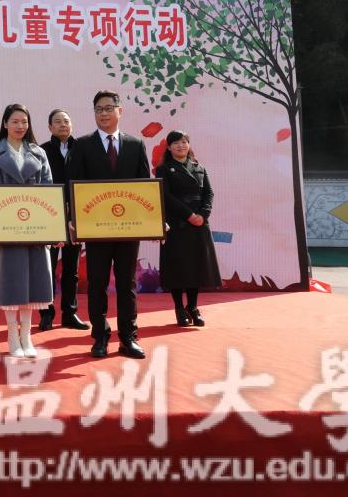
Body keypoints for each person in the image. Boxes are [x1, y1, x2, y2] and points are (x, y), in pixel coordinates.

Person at [66, 90, 151, 360]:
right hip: (96, 227)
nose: (103, 113)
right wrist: (73, 221)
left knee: (127, 284)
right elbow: (72, 185)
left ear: (119, 111)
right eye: (98, 109)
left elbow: (146, 187)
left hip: (128, 228)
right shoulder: (82, 145)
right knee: (97, 283)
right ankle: (100, 337)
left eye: (108, 108)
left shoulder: (135, 144)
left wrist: (153, 220)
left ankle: (128, 338)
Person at [0, 104, 54, 358]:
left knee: (32, 284)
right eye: (15, 121)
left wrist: (51, 229)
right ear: (5, 124)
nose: (20, 126)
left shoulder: (39, 153)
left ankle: (27, 336)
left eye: (24, 121)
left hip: (34, 229)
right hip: (7, 230)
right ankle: (12, 335)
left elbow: (49, 191)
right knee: (12, 283)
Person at [156, 131, 221, 327]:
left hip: (199, 225)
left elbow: (209, 193)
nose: (180, 146)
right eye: (175, 143)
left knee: (195, 268)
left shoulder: (199, 167)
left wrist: (203, 214)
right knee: (177, 268)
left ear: (189, 145)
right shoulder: (164, 169)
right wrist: (189, 215)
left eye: (184, 142)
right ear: (169, 147)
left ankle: (192, 307)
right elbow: (165, 196)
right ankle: (179, 309)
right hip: (177, 224)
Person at [38, 109, 88, 332]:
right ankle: (46, 314)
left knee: (71, 269)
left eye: (66, 121)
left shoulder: (82, 149)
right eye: (57, 122)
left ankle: (70, 313)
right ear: (50, 127)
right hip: (49, 216)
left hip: (76, 216)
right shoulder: (42, 150)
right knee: (46, 268)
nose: (62, 125)